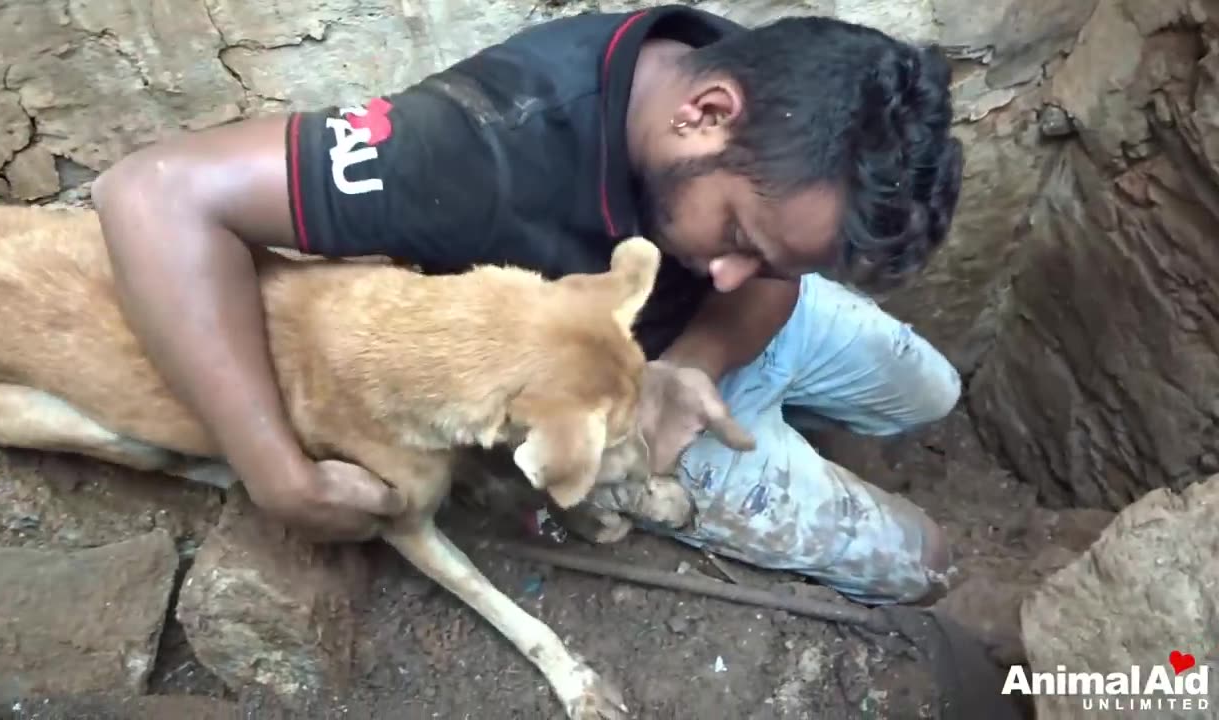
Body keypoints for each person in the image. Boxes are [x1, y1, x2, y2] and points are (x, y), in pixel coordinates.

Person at [91, 5, 965, 606]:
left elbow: (766, 282)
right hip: (624, 417)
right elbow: (151, 194)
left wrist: (695, 362)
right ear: (705, 114)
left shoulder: (780, 93)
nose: (731, 275)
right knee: (925, 563)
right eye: (736, 234)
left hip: (687, 375)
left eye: (769, 255)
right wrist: (276, 472)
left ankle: (774, 402)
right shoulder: (473, 150)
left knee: (934, 398)